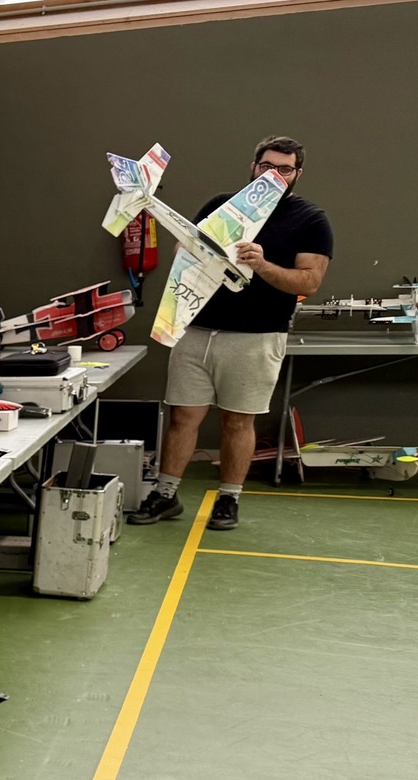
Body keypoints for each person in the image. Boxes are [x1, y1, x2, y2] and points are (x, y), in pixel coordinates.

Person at [128, 135, 331, 532]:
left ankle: (228, 500)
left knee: (238, 422)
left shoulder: (310, 220)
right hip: (197, 330)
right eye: (267, 165)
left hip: (256, 337)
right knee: (182, 416)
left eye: (285, 169)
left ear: (298, 174)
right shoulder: (221, 205)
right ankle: (165, 494)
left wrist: (263, 265)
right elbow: (182, 253)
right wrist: (199, 250)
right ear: (253, 166)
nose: (274, 174)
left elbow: (310, 280)